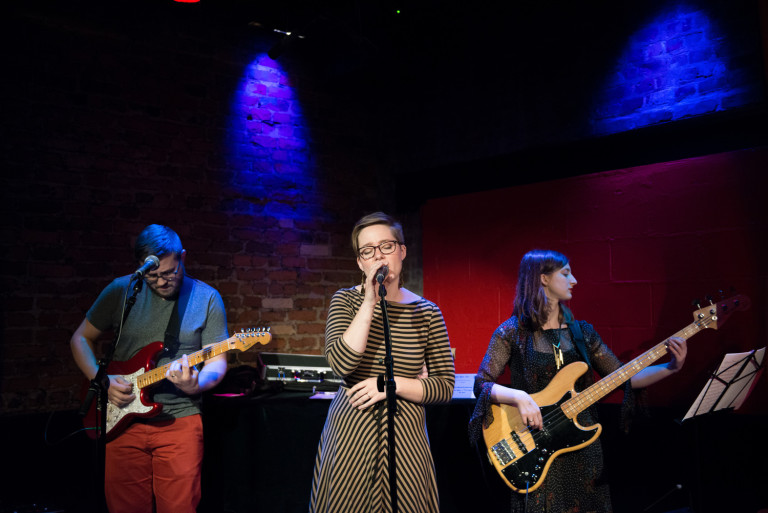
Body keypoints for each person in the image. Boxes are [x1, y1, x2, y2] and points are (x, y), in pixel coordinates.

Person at [468, 249, 687, 513]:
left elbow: (624, 377)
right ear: (543, 278)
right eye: (566, 273)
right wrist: (519, 397)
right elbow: (481, 384)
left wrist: (672, 367)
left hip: (583, 449)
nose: (574, 280)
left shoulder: (582, 332)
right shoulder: (512, 332)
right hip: (537, 446)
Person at [70, 224, 229, 513]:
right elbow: (80, 338)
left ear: (182, 257)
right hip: (120, 419)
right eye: (153, 276)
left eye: (170, 272)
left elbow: (216, 361)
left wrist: (197, 384)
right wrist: (101, 379)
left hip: (179, 419)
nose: (162, 282)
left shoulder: (206, 298)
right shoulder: (121, 291)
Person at [309, 212, 456, 513]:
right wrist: (369, 302)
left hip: (406, 434)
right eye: (367, 251)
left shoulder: (427, 312)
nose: (378, 256)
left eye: (386, 246)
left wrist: (390, 385)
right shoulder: (345, 301)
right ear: (360, 263)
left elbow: (444, 387)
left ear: (402, 251)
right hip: (353, 430)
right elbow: (341, 364)